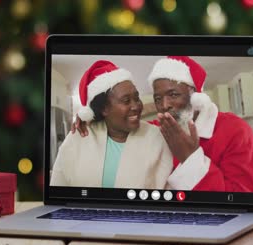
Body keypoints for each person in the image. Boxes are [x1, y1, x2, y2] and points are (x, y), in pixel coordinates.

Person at [73, 56, 253, 193]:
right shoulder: (156, 129)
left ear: (195, 95)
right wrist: (93, 119)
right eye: (158, 98)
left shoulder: (236, 130)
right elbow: (120, 126)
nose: (164, 105)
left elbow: (243, 199)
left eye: (173, 95)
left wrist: (190, 158)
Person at [51, 60, 172, 189]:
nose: (136, 106)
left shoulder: (155, 136)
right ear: (104, 109)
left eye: (137, 98)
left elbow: (168, 189)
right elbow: (58, 187)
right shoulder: (79, 137)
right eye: (126, 101)